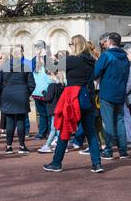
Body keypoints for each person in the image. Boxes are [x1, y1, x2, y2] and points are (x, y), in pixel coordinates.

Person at [44, 35, 104, 173]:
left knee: (65, 131)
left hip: (73, 98)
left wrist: (47, 54)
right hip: (87, 97)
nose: (70, 46)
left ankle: (56, 163)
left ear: (75, 45)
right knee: (91, 133)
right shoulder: (92, 61)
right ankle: (97, 164)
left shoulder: (71, 60)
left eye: (71, 43)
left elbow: (50, 68)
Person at [94, 32, 130, 160]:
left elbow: (96, 72)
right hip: (120, 91)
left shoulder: (106, 55)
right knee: (120, 121)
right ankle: (123, 150)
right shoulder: (125, 56)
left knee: (108, 122)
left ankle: (108, 150)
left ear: (109, 41)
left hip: (107, 92)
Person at [0, 44, 35, 154]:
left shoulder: (3, 66)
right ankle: (21, 146)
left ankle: (9, 146)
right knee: (21, 121)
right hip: (21, 95)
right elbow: (32, 84)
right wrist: (26, 93)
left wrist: (3, 91)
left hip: (8, 95)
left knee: (10, 122)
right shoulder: (26, 67)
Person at [38, 70, 65, 153]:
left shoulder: (51, 86)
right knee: (57, 128)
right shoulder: (62, 85)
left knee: (54, 128)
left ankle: (48, 145)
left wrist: (44, 93)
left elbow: (48, 98)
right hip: (60, 108)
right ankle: (60, 145)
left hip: (54, 109)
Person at [32, 41, 53, 140]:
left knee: (49, 113)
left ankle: (50, 132)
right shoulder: (33, 60)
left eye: (40, 47)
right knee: (42, 114)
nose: (38, 49)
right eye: (37, 47)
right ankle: (42, 132)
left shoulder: (48, 59)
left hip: (47, 91)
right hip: (37, 91)